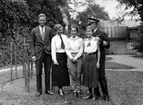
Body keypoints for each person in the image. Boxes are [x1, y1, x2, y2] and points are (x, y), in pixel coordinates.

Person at [31, 13, 54, 97]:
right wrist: (33, 55)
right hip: (38, 53)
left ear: (45, 20)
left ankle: (48, 89)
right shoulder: (34, 30)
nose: (42, 21)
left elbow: (52, 42)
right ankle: (39, 90)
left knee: (47, 72)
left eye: (43, 20)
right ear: (38, 21)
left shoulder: (49, 30)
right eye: (40, 20)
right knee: (38, 72)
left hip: (48, 53)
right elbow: (32, 44)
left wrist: (52, 52)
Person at [88, 17, 110, 101]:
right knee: (94, 76)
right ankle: (96, 93)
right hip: (91, 58)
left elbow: (108, 45)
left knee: (101, 76)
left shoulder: (101, 33)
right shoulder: (88, 33)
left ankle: (106, 94)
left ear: (95, 24)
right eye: (89, 24)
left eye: (91, 24)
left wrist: (104, 42)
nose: (90, 25)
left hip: (100, 58)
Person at [51, 24, 70, 96]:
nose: (60, 31)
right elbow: (53, 50)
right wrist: (54, 59)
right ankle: (60, 89)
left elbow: (67, 47)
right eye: (59, 30)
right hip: (58, 56)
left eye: (61, 30)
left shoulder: (65, 37)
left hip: (64, 56)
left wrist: (68, 56)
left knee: (64, 73)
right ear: (56, 30)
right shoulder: (54, 39)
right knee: (58, 73)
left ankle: (63, 88)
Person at [82, 26, 101, 100]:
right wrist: (84, 60)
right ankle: (90, 94)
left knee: (94, 75)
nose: (88, 33)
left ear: (92, 32)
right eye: (87, 31)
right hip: (86, 58)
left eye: (89, 31)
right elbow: (83, 51)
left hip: (93, 58)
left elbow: (98, 51)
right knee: (87, 76)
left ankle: (95, 94)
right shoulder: (84, 40)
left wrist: (98, 62)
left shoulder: (95, 40)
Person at [66, 26, 83, 97]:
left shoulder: (80, 39)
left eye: (75, 31)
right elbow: (67, 49)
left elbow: (81, 49)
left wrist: (76, 57)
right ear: (70, 32)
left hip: (78, 57)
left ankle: (78, 88)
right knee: (72, 73)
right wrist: (71, 57)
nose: (73, 32)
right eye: (72, 31)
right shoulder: (68, 40)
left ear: (77, 32)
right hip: (70, 57)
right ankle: (74, 88)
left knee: (78, 73)